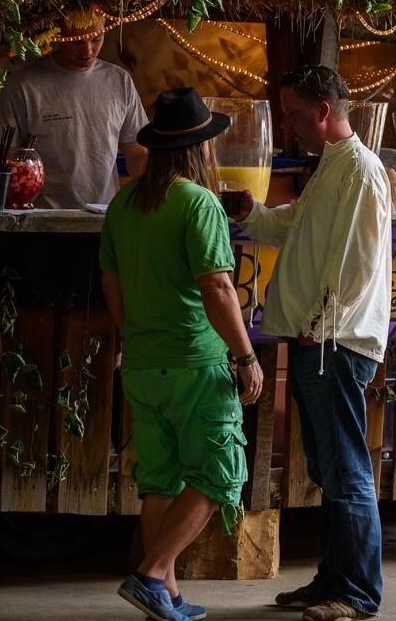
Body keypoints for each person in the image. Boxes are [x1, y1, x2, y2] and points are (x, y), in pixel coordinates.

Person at [229, 65, 392, 621]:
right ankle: (333, 582)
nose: (288, 125)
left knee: (345, 471)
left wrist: (318, 327)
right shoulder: (333, 166)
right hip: (319, 340)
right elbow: (293, 227)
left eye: (294, 114)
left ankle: (357, 594)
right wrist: (253, 214)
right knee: (330, 471)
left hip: (333, 344)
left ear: (322, 111)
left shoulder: (361, 171)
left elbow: (356, 268)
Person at [100, 87, 264, 621]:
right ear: (200, 147)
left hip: (142, 364)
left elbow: (111, 283)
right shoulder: (198, 201)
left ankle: (165, 593)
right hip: (195, 363)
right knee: (221, 475)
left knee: (161, 480)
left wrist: (134, 335)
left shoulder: (123, 203)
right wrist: (246, 356)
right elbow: (217, 286)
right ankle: (152, 574)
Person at [0, 7, 149, 209]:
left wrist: (157, 180)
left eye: (96, 39)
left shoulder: (119, 80)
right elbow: (5, 157)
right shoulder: (23, 85)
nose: (87, 51)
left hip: (105, 214)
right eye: (76, 42)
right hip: (41, 216)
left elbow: (136, 148)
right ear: (57, 35)